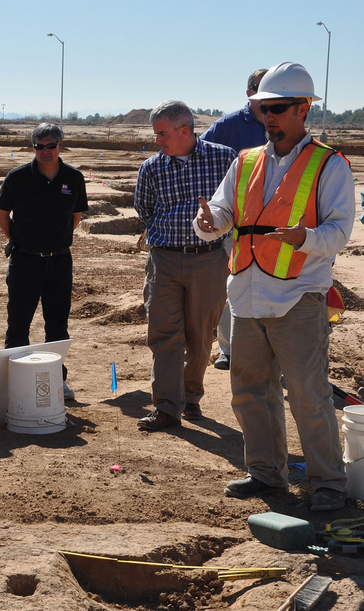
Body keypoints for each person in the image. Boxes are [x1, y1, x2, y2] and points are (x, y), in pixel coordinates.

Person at [194, 62, 356, 511]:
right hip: (246, 295)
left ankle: (328, 482)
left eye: (279, 108)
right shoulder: (246, 162)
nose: (269, 117)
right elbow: (223, 214)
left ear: (303, 110)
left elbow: (341, 231)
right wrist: (208, 223)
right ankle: (266, 474)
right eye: (264, 108)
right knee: (250, 392)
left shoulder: (329, 165)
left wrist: (305, 238)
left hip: (298, 297)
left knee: (308, 394)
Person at [134, 100, 236, 430]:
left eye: (162, 134)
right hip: (163, 260)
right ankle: (166, 406)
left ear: (184, 130)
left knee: (201, 334)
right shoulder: (151, 168)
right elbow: (144, 209)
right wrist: (169, 234)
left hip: (209, 261)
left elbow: (237, 204)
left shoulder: (223, 158)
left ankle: (190, 397)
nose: (157, 141)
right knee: (164, 334)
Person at [0, 123, 87, 400]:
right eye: (39, 146)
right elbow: (1, 215)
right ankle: (15, 383)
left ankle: (57, 380)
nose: (45, 151)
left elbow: (76, 218)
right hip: (25, 261)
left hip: (59, 262)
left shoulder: (74, 177)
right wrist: (21, 240)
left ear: (61, 145)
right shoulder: (18, 177)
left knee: (57, 325)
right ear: (32, 147)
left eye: (50, 145)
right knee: (18, 323)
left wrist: (55, 240)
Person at [201, 69, 269, 371]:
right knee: (232, 283)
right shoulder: (229, 125)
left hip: (274, 223)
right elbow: (199, 153)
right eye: (262, 88)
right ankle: (228, 349)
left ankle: (268, 350)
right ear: (249, 93)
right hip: (236, 222)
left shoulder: (279, 123)